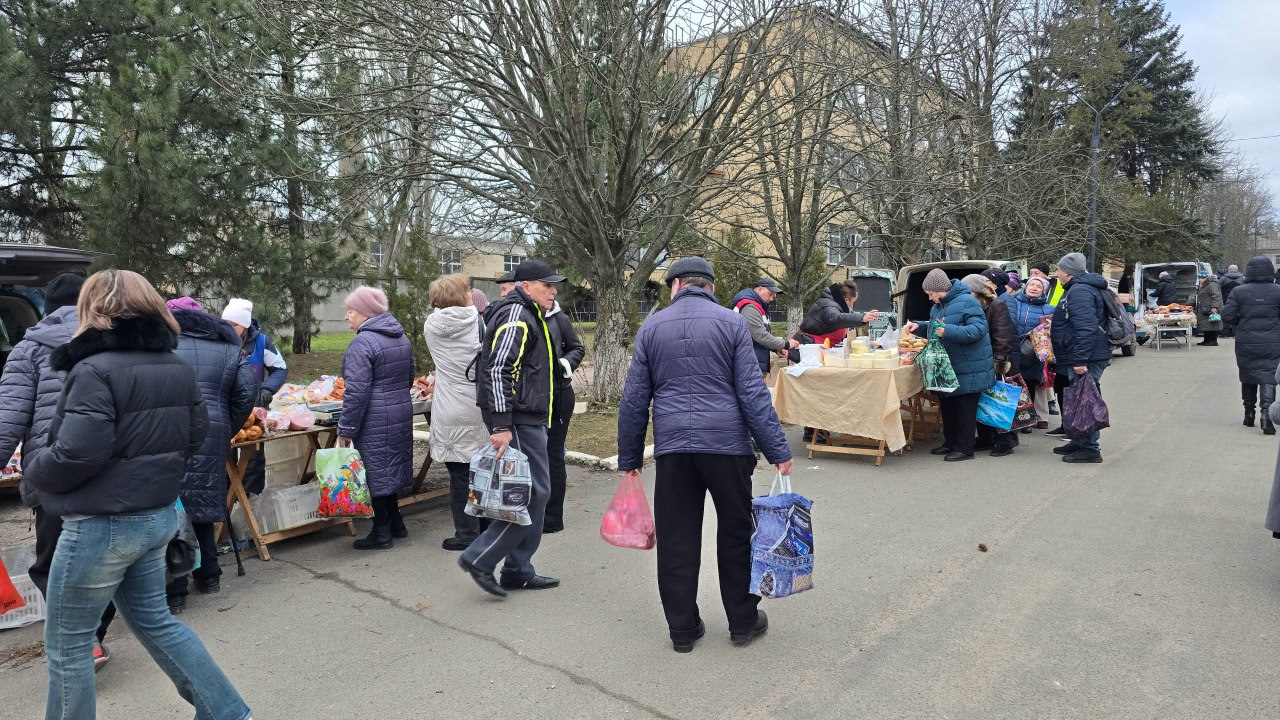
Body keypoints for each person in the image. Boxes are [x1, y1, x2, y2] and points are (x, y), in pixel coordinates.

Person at [24, 269, 251, 720]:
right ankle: (227, 712)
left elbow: (77, 453)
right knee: (156, 622)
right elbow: (194, 436)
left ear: (95, 308)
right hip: (157, 515)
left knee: (69, 644)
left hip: (101, 525)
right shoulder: (175, 366)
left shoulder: (92, 369)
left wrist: (35, 472)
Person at [618, 256, 792, 653]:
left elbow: (633, 400)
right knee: (735, 534)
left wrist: (629, 459)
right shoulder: (730, 323)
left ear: (675, 286)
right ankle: (742, 621)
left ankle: (683, 629)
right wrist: (777, 449)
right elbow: (751, 393)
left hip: (674, 450)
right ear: (711, 287)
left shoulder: (651, 327)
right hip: (727, 448)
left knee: (677, 539)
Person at [0, 272, 119, 671]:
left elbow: (8, 421)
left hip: (52, 478)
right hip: (110, 473)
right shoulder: (116, 344)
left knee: (52, 563)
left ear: (47, 309)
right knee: (106, 557)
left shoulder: (27, 350)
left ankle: (83, 641)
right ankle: (93, 636)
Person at [459, 258, 564, 597]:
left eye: (554, 284)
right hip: (516, 420)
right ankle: (481, 558)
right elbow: (498, 370)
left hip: (528, 419)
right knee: (528, 493)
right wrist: (502, 424)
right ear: (527, 285)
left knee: (535, 492)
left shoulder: (527, 313)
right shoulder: (518, 316)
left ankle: (518, 569)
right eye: (546, 284)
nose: (553, 290)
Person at [164, 298, 256, 614]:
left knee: (172, 506)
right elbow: (247, 392)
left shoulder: (161, 344)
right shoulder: (227, 346)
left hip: (169, 431)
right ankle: (209, 576)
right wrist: (226, 425)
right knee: (203, 499)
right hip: (213, 432)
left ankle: (175, 589)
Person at [336, 287, 415, 549]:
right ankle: (396, 523)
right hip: (400, 411)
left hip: (374, 417)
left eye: (350, 311)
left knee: (375, 472)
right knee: (389, 466)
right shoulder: (400, 337)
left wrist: (346, 428)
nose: (347, 316)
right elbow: (408, 378)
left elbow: (356, 392)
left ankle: (381, 532)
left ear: (366, 313)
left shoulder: (363, 342)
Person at [423, 275, 491, 551]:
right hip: (477, 404)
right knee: (482, 469)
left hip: (448, 405)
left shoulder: (431, 325)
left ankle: (465, 533)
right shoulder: (478, 321)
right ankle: (486, 526)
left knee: (459, 474)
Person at [903, 269, 993, 462]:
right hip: (948, 365)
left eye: (930, 294)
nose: (929, 298)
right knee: (948, 406)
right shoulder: (938, 306)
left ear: (940, 290)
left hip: (969, 366)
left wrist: (949, 331)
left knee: (964, 410)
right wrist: (920, 326)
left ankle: (964, 448)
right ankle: (951, 443)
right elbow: (937, 328)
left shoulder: (968, 302)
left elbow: (978, 330)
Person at [1048, 252, 1111, 463]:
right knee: (1076, 399)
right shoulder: (1078, 289)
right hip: (1079, 353)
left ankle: (1090, 448)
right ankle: (1078, 441)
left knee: (1086, 400)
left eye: (1058, 270)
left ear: (1067, 272)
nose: (1056, 273)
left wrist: (1080, 360)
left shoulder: (1080, 291)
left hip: (1086, 356)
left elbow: (1086, 328)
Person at [221, 298, 288, 495]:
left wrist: (268, 389)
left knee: (255, 458)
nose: (228, 328)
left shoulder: (261, 342)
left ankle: (253, 500)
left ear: (244, 325)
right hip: (226, 408)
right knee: (226, 457)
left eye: (233, 325)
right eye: (226, 324)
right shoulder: (220, 341)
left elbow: (280, 368)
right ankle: (227, 502)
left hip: (255, 410)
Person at [1221, 257, 1280, 434]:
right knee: (1269, 376)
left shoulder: (1239, 292)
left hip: (1246, 340)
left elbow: (1227, 316)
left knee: (1248, 374)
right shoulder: (1278, 291)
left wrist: (1242, 322)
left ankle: (1249, 413)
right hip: (1273, 341)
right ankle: (1266, 417)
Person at [543, 295, 586, 534]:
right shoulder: (522, 317)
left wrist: (562, 365)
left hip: (558, 397)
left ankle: (551, 519)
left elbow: (577, 348)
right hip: (530, 399)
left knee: (553, 455)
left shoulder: (559, 319)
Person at [963, 275, 1018, 457]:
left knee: (999, 401)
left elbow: (1003, 334)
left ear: (977, 290)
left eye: (967, 290)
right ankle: (987, 438)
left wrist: (1000, 360)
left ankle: (1006, 440)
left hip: (995, 360)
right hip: (979, 360)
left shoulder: (996, 305)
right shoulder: (971, 306)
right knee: (983, 401)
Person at [1009, 276, 1055, 429]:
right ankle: (1015, 418)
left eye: (1038, 286)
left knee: (1030, 384)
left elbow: (1050, 333)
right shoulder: (1014, 303)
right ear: (1025, 286)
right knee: (1014, 384)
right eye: (1032, 285)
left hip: (1033, 353)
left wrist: (1049, 327)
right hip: (1014, 349)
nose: (1034, 288)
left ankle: (1028, 420)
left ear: (1044, 291)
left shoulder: (1048, 309)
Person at [732, 277, 798, 377]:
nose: (771, 299)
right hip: (748, 365)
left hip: (750, 363)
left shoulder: (754, 306)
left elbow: (757, 337)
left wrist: (775, 348)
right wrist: (786, 344)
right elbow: (760, 336)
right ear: (759, 289)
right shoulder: (749, 307)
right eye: (770, 294)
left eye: (773, 296)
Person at [796, 278, 880, 347]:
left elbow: (846, 317)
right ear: (846, 300)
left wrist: (864, 316)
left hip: (819, 345)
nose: (852, 305)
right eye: (853, 302)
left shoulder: (835, 304)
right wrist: (862, 317)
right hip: (807, 346)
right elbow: (835, 318)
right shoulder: (828, 304)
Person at [1195, 271, 1223, 347]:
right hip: (1205, 308)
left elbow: (1216, 296)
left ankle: (1213, 341)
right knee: (1206, 325)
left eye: (1201, 278)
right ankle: (1206, 340)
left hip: (1211, 308)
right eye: (1199, 278)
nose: (1200, 279)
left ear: (1206, 278)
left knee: (1212, 324)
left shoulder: (1212, 285)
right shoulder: (1204, 285)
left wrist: (1214, 307)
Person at [1219, 265, 1244, 337]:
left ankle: (1225, 333)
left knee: (1226, 314)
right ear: (1237, 269)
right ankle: (1235, 333)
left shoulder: (1223, 278)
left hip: (1226, 300)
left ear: (1229, 270)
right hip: (1239, 300)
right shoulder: (1243, 278)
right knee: (1238, 315)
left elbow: (1218, 289)